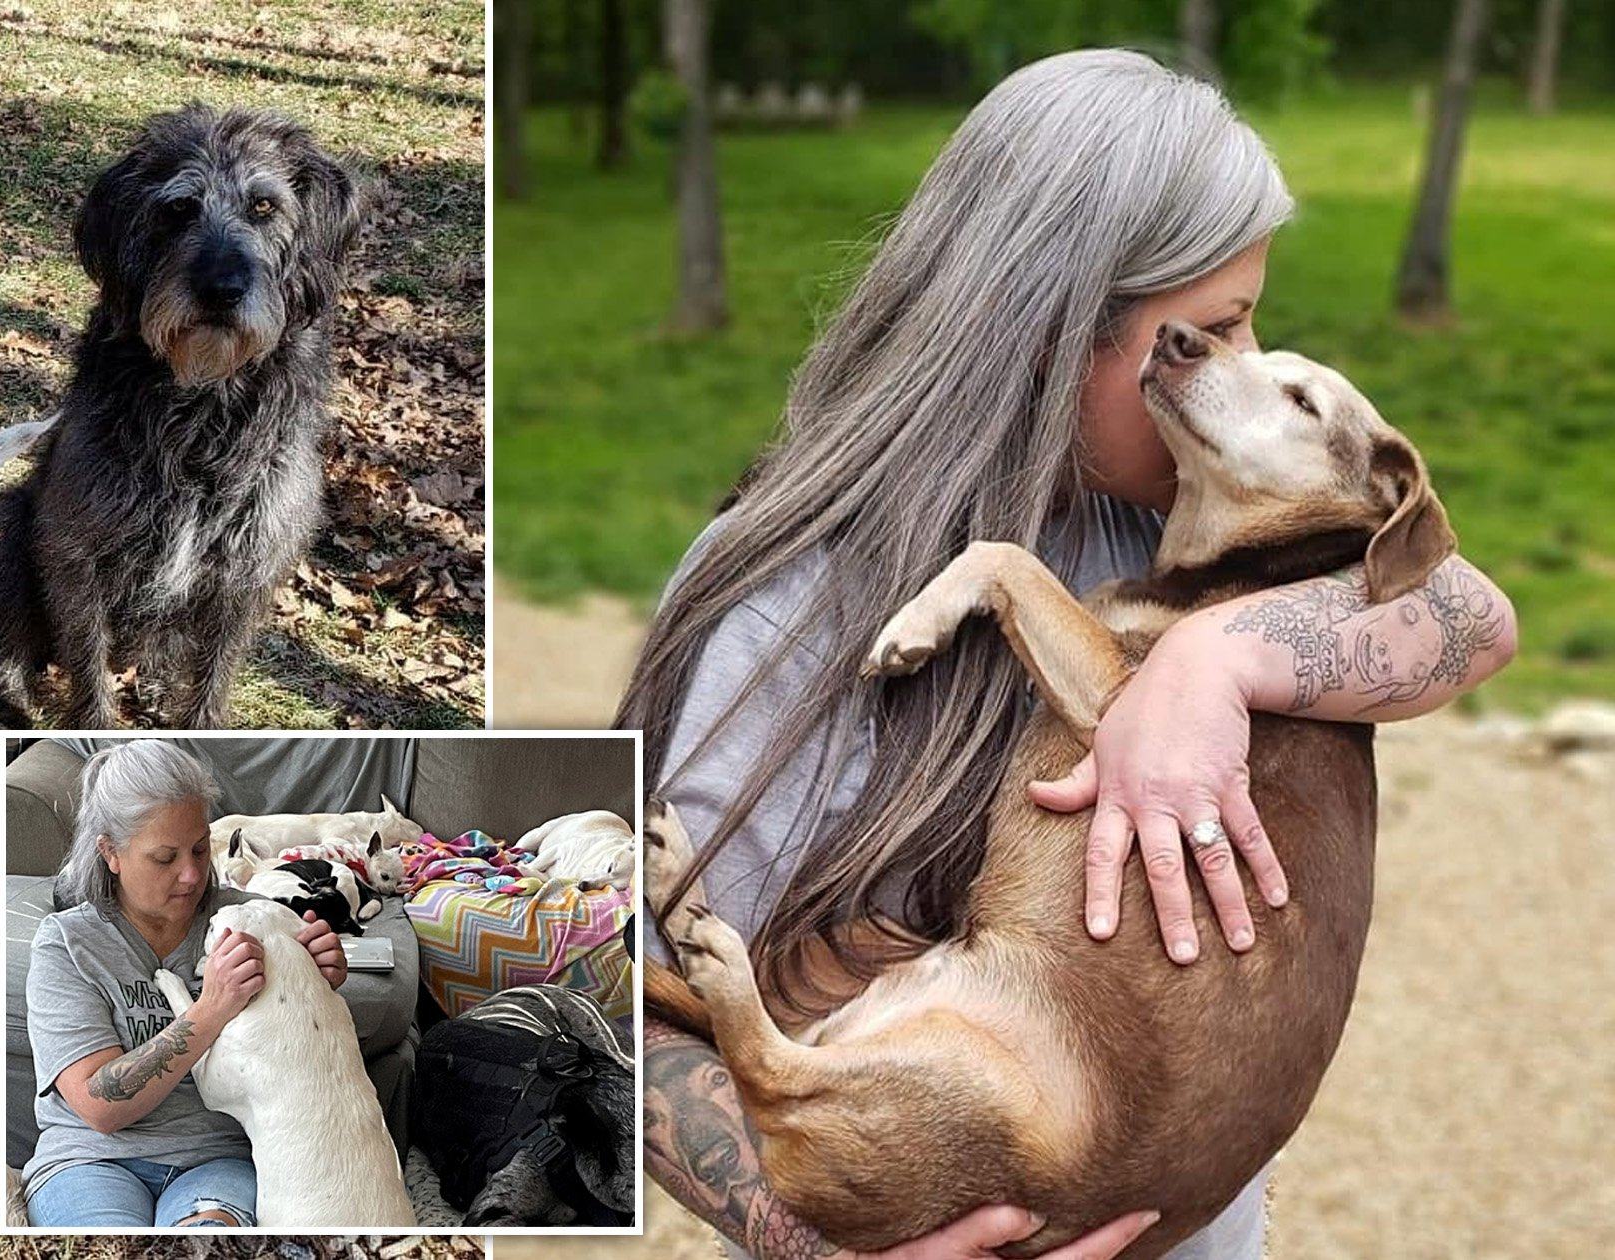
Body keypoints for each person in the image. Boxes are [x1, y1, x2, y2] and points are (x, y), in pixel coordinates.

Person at [622, 49, 1516, 1260]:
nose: (1233, 365)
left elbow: (1473, 615)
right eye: (1216, 325)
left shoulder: (1199, 516)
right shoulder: (786, 607)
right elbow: (625, 1000)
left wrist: (1214, 665)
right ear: (1050, 330)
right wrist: (807, 1235)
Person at [20, 740, 348, 1227]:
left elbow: (297, 1056)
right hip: (90, 1159)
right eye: (164, 858)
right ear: (110, 851)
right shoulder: (67, 944)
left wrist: (315, 982)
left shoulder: (250, 919)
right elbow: (98, 1107)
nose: (192, 874)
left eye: (199, 848)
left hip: (218, 1160)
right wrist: (211, 1007)